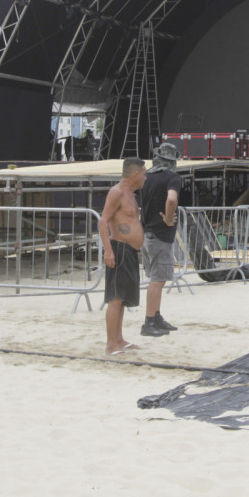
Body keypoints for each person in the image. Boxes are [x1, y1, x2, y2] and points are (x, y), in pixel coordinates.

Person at [98, 157, 148, 356]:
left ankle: (119, 339)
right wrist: (108, 249)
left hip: (129, 251)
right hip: (118, 248)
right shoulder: (117, 192)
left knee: (123, 298)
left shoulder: (131, 194)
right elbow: (103, 221)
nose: (145, 177)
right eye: (144, 173)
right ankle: (111, 344)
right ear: (135, 174)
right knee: (115, 298)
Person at [139, 143, 183, 338]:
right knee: (158, 280)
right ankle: (149, 321)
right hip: (160, 235)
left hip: (146, 232)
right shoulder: (172, 178)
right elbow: (172, 199)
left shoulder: (146, 178)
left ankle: (156, 317)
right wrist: (167, 217)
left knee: (155, 277)